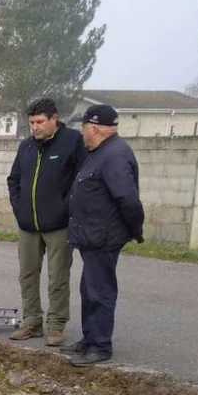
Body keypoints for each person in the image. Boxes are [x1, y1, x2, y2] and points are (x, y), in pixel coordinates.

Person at [63, 105, 145, 367]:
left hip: (104, 236)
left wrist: (134, 231)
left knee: (100, 291)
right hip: (92, 236)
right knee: (89, 289)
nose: (82, 132)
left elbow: (129, 200)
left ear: (94, 128)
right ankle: (89, 339)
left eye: (83, 127)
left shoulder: (114, 156)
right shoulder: (99, 153)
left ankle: (100, 345)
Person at [6, 97, 87, 346]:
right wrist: (20, 210)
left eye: (40, 122)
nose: (35, 127)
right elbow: (14, 181)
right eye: (31, 122)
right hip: (29, 226)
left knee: (58, 277)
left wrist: (66, 210)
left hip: (59, 226)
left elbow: (81, 181)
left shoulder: (73, 142)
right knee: (27, 275)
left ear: (54, 119)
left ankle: (56, 326)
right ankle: (31, 321)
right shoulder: (27, 147)